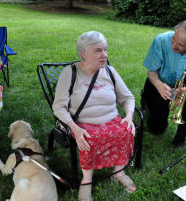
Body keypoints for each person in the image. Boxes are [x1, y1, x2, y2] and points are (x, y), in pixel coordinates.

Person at [52, 31, 136, 201]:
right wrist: (74, 128)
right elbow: (58, 106)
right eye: (98, 51)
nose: (104, 55)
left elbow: (128, 98)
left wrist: (128, 116)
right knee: (89, 137)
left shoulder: (110, 72)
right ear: (83, 53)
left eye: (105, 50)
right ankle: (86, 180)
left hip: (110, 118)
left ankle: (118, 172)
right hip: (82, 121)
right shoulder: (70, 73)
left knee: (127, 129)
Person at [142, 20, 186, 148]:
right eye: (173, 39)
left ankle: (180, 137)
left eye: (180, 45)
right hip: (158, 82)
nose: (174, 46)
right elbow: (151, 72)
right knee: (157, 130)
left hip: (182, 85)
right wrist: (158, 84)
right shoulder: (160, 40)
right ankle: (146, 101)